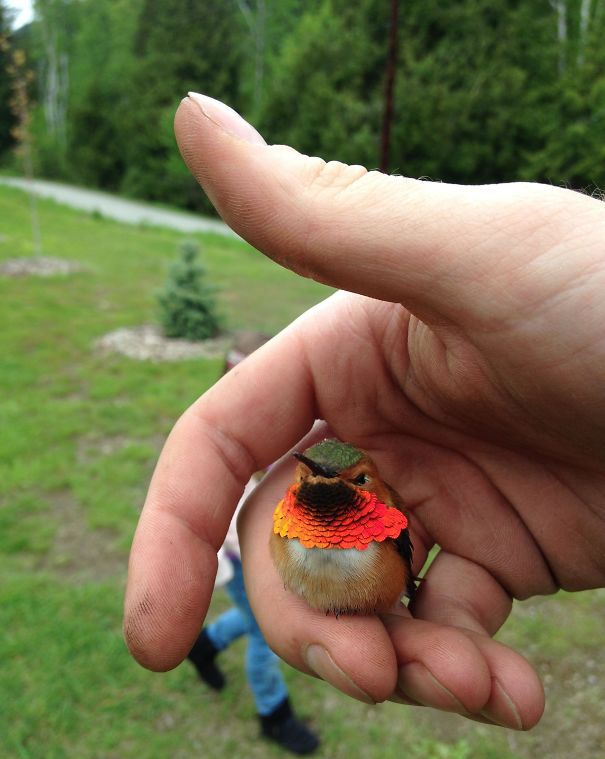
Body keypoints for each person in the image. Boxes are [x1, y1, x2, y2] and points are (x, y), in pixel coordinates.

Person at [124, 93, 605, 732]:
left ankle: (215, 645)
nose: (319, 485)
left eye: (342, 482)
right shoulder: (288, 521)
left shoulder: (387, 527)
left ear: (370, 490)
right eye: (312, 479)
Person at [186, 334, 319, 755]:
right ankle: (274, 715)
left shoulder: (285, 436)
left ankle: (205, 646)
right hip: (246, 562)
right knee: (268, 636)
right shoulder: (222, 452)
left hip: (273, 557)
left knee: (254, 619)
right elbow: (225, 520)